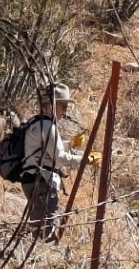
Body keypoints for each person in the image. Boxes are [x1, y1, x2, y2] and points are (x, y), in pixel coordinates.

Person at [19, 83, 94, 242]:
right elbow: (59, 158)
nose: (65, 111)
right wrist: (87, 159)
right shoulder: (47, 126)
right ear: (52, 104)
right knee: (46, 228)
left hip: (32, 178)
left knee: (39, 225)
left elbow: (48, 149)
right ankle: (43, 259)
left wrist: (70, 143)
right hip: (42, 181)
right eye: (63, 106)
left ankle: (38, 254)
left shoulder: (36, 122)